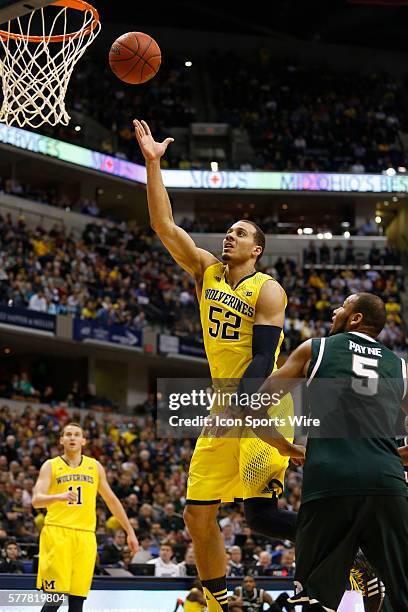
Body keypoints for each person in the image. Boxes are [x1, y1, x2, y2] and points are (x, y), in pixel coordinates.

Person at [133, 118, 304, 612]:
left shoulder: (267, 288)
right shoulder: (206, 270)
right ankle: (219, 599)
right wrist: (153, 164)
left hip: (259, 404)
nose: (230, 236)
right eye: (229, 230)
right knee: (195, 515)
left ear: (258, 249)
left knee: (262, 518)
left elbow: (262, 356)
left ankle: (352, 555)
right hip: (221, 407)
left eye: (242, 233)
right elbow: (163, 226)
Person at [256, 293, 408, 611]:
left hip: (330, 480)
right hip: (386, 482)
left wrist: (287, 447)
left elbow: (255, 408)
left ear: (354, 318)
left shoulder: (316, 349)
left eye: (343, 306)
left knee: (314, 596)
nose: (335, 310)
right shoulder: (401, 367)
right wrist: (400, 455)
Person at [32, 423, 138, 612]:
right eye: (68, 434)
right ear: (61, 440)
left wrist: (130, 531)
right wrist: (58, 496)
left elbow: (112, 501)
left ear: (83, 440)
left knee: (77, 602)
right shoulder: (50, 466)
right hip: (58, 534)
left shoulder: (94, 466)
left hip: (86, 536)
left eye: (76, 435)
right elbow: (36, 500)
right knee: (54, 599)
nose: (72, 438)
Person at [229, 575, 293, 612]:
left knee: (284, 595)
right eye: (246, 582)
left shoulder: (262, 594)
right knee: (234, 608)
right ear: (242, 584)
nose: (248, 584)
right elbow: (226, 605)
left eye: (250, 582)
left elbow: (275, 608)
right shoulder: (238, 591)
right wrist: (236, 603)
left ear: (254, 584)